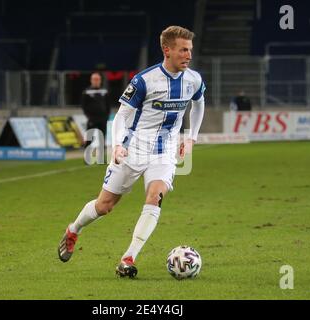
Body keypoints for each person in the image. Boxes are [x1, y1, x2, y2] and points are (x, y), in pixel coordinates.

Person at [58, 26, 206, 278]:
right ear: (167, 50)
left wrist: (190, 138)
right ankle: (73, 230)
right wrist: (117, 145)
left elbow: (199, 105)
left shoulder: (194, 79)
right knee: (104, 206)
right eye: (183, 50)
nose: (188, 55)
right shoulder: (143, 81)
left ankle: (128, 258)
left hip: (165, 152)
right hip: (133, 149)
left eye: (190, 50)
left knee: (155, 196)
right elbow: (121, 117)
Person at [80, 72, 111, 147]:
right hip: (92, 119)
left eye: (98, 79)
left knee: (102, 139)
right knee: (89, 138)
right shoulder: (86, 92)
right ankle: (86, 156)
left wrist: (107, 116)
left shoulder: (105, 91)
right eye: (94, 79)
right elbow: (84, 105)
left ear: (100, 80)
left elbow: (108, 104)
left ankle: (102, 157)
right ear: (91, 80)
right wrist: (89, 116)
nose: (96, 81)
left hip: (103, 119)